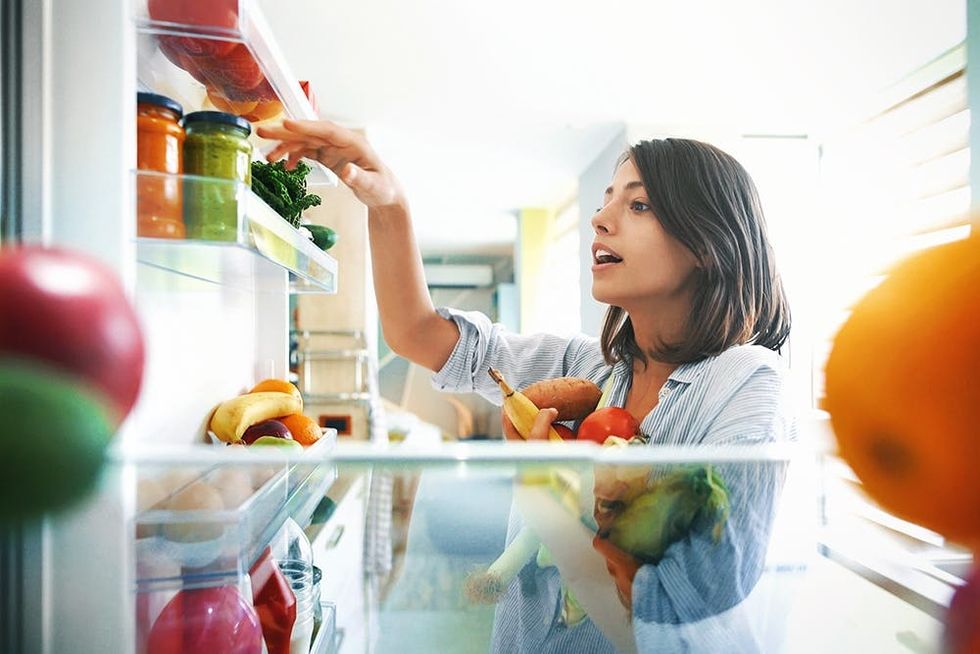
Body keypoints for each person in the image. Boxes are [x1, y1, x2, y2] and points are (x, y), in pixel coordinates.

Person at [258, 120, 796, 652]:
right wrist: (387, 201)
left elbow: (674, 616)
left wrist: (543, 492)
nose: (600, 217)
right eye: (607, 199)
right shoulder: (588, 367)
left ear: (707, 242)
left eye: (638, 205)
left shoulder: (747, 383)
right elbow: (416, 333)